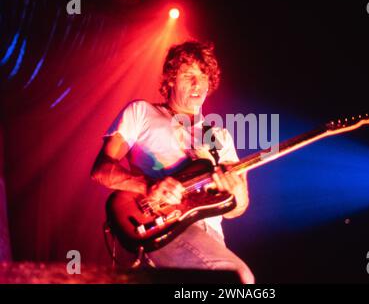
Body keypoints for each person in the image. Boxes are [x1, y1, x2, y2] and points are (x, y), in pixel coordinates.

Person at [90, 40, 255, 284]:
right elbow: (101, 170)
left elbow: (238, 208)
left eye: (203, 76)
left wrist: (237, 191)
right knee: (238, 278)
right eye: (189, 75)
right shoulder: (142, 112)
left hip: (212, 239)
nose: (198, 83)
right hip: (163, 226)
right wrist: (148, 186)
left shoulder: (219, 137)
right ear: (170, 80)